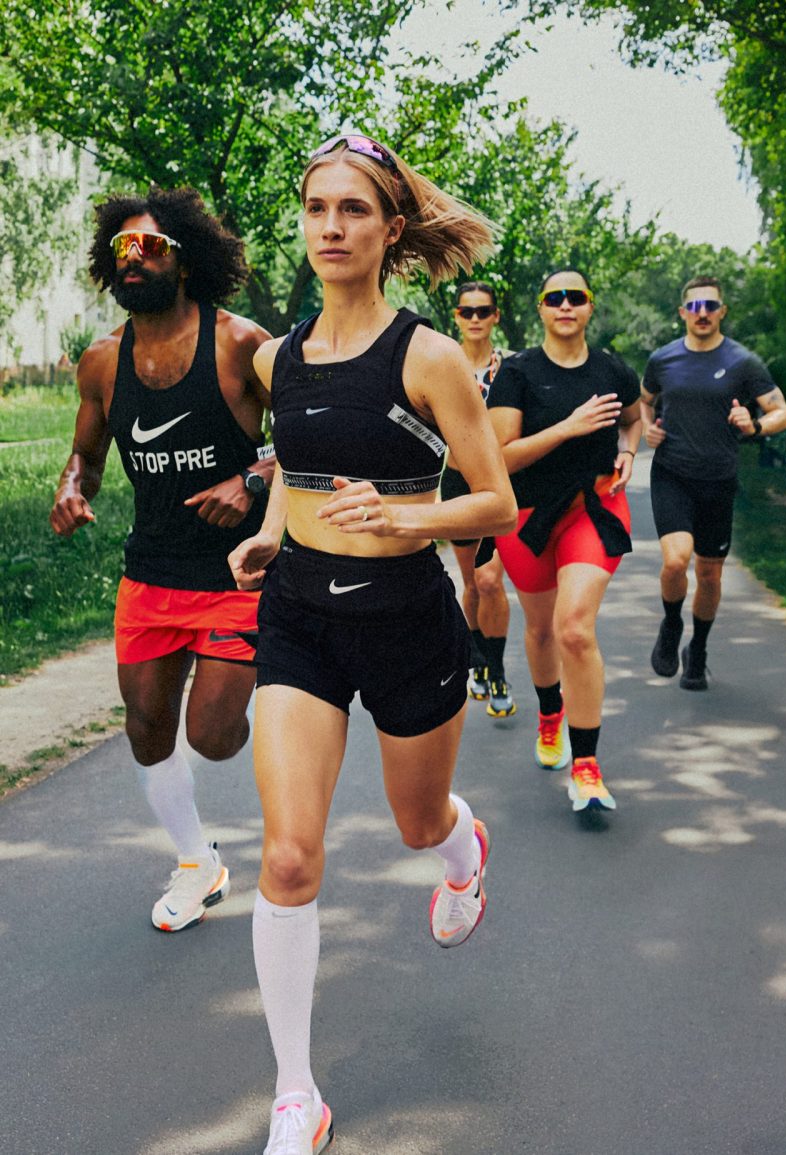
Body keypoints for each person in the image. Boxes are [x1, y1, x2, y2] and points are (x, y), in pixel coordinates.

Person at [226, 134, 515, 1155]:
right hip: (300, 615)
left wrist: (411, 524)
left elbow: (500, 503)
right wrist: (267, 537)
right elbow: (297, 473)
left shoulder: (430, 357)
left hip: (402, 617)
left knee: (415, 821)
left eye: (353, 210)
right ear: (301, 223)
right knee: (289, 855)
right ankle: (297, 1092)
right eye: (317, 210)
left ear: (392, 229)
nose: (331, 228)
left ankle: (462, 848)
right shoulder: (281, 356)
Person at [50, 187, 273, 932]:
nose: (135, 257)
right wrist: (72, 490)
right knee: (146, 724)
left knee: (212, 734)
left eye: (152, 246)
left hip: (236, 575)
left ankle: (276, 688)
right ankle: (195, 861)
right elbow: (85, 458)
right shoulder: (102, 363)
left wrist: (250, 480)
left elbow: (310, 440)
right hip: (150, 575)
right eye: (123, 248)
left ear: (186, 259)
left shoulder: (240, 344)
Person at [487, 270, 642, 811]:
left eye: (577, 297)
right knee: (540, 630)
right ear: (542, 309)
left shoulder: (612, 369)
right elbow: (500, 456)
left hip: (593, 507)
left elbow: (633, 417)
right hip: (526, 516)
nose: (566, 305)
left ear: (590, 307)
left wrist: (626, 449)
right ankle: (549, 713)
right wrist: (568, 427)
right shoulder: (518, 372)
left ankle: (587, 765)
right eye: (556, 297)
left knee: (574, 628)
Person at [641, 276, 786, 689]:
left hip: (718, 480)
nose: (702, 313)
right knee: (675, 560)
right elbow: (644, 399)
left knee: (709, 575)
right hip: (672, 474)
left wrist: (755, 424)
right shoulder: (663, 359)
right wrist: (647, 429)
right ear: (682, 313)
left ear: (722, 311)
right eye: (694, 306)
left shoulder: (743, 362)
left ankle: (699, 649)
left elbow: (783, 413)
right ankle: (672, 625)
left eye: (710, 306)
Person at [445, 280, 516, 717]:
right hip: (456, 481)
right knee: (471, 583)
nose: (474, 319)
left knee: (491, 581)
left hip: (498, 482)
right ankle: (475, 658)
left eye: (483, 311)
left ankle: (497, 667)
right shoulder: (441, 361)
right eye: (466, 311)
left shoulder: (509, 369)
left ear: (495, 317)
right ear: (456, 316)